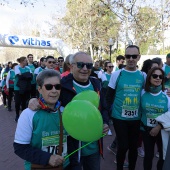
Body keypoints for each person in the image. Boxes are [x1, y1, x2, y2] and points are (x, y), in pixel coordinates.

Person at [28, 51, 109, 170]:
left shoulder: (97, 83)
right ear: (71, 66)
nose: (85, 69)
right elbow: (46, 99)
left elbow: (104, 108)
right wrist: (31, 101)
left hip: (93, 146)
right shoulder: (62, 85)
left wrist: (105, 122)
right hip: (72, 148)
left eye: (89, 65)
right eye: (81, 65)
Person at [14, 69, 69, 170]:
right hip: (39, 167)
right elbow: (20, 148)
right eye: (48, 87)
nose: (54, 90)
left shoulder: (65, 111)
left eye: (57, 86)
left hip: (64, 166)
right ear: (39, 89)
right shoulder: (28, 114)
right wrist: (47, 158)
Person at [106, 45, 146, 170]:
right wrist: (107, 116)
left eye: (134, 56)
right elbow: (108, 96)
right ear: (125, 57)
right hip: (119, 117)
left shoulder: (143, 76)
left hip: (136, 118)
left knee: (133, 147)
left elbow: (151, 92)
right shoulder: (117, 74)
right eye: (128, 56)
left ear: (139, 57)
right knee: (123, 146)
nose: (131, 59)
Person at [140, 67, 168, 170]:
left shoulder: (167, 94)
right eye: (155, 76)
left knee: (162, 156)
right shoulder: (142, 92)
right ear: (149, 78)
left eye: (160, 76)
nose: (158, 78)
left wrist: (159, 126)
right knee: (148, 155)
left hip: (162, 130)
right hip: (146, 130)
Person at [14, 56, 32, 122]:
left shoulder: (28, 67)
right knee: (17, 102)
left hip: (26, 88)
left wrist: (24, 75)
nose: (26, 62)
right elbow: (19, 76)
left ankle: (23, 115)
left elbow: (30, 76)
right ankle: (17, 115)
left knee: (25, 102)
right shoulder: (16, 67)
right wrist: (26, 75)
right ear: (21, 61)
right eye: (25, 61)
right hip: (18, 88)